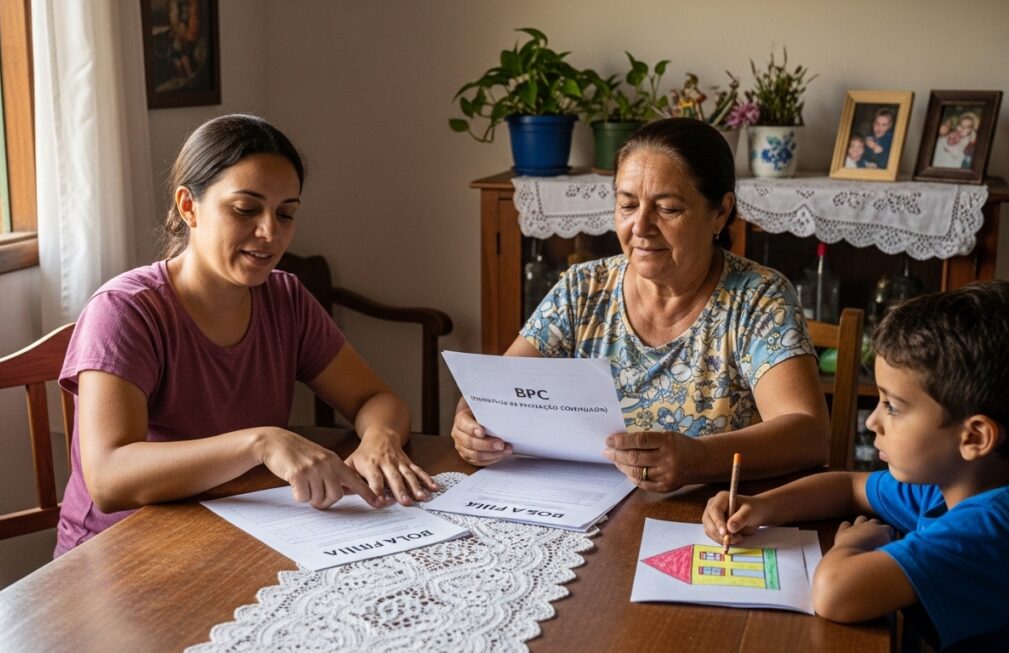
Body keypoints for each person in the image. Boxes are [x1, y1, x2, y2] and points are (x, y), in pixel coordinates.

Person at [55, 114, 437, 556]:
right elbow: (109, 478)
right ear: (188, 206)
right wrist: (262, 442)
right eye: (245, 209)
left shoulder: (286, 298)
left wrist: (380, 442)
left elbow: (377, 400)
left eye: (286, 213)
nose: (270, 233)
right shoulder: (125, 310)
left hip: (235, 532)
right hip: (120, 555)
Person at [451, 118, 830, 492]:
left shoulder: (757, 298)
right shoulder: (583, 289)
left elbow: (808, 432)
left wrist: (698, 459)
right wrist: (472, 423)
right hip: (586, 508)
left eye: (667, 208)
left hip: (707, 518)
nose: (640, 227)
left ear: (720, 212)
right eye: (628, 205)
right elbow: (498, 392)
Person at [702, 281, 1009, 651]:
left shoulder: (993, 531)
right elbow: (847, 486)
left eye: (893, 407)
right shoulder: (952, 482)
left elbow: (835, 593)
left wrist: (852, 544)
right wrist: (762, 506)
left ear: (974, 437)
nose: (872, 422)